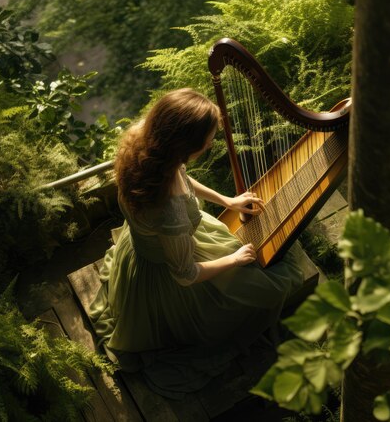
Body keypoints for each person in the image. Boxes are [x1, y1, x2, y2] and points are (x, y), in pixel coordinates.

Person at [89, 88, 304, 399]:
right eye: (210, 137)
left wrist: (227, 200)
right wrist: (236, 260)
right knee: (271, 284)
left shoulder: (142, 140)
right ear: (187, 145)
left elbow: (180, 176)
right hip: (169, 277)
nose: (212, 142)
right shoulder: (172, 209)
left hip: (144, 247)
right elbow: (186, 274)